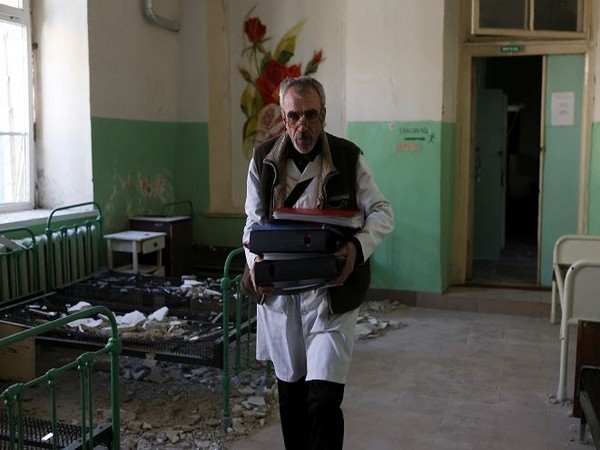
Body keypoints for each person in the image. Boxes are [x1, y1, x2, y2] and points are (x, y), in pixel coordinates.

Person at [242, 76, 394, 450]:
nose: (302, 126)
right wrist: (254, 261)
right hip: (282, 297)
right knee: (292, 398)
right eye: (293, 116)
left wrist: (356, 249)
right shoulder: (263, 161)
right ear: (283, 115)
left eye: (310, 115)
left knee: (324, 399)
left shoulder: (347, 157)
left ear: (324, 115)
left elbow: (383, 213)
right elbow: (251, 222)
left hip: (330, 297)